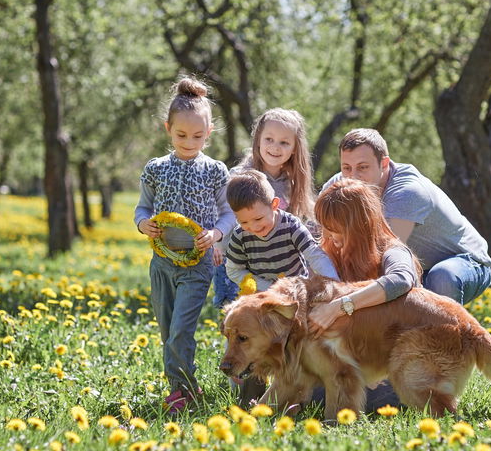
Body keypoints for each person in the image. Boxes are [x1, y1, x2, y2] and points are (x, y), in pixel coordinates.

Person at [134, 76, 236, 416]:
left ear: (209, 133)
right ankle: (179, 385)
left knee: (181, 331)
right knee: (167, 331)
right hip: (162, 263)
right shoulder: (155, 169)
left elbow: (228, 213)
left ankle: (184, 390)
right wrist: (141, 223)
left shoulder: (215, 171)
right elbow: (142, 207)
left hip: (198, 264)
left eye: (197, 135)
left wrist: (216, 235)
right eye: (181, 135)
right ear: (168, 129)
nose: (189, 141)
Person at [323, 128, 491, 305]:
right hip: (410, 269)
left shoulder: (407, 193)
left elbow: (382, 254)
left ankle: (445, 331)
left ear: (384, 164)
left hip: (462, 262)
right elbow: (315, 231)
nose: (354, 177)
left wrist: (344, 304)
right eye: (346, 168)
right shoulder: (341, 184)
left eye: (363, 167)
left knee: (441, 279)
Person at [305, 179, 421, 412]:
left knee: (330, 395)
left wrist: (340, 305)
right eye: (325, 226)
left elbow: (401, 279)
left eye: (335, 227)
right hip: (348, 357)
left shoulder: (392, 250)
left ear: (359, 226)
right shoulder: (329, 252)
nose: (328, 234)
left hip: (392, 362)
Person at [212, 108, 317, 308]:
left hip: (275, 264)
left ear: (295, 148)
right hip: (239, 262)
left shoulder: (292, 184)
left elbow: (302, 224)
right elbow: (223, 214)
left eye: (284, 142)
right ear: (258, 140)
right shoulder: (240, 177)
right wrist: (217, 244)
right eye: (269, 139)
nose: (275, 147)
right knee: (238, 315)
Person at [225, 169, 338, 292]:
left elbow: (315, 255)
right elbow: (234, 270)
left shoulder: (291, 226)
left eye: (258, 218)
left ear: (274, 205)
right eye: (244, 222)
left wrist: (335, 282)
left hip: (296, 291)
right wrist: (268, 288)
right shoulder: (239, 236)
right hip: (263, 293)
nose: (253, 227)